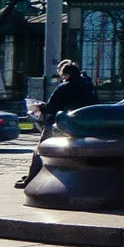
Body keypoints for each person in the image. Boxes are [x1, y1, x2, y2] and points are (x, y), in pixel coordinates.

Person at [14, 60, 99, 189]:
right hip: (84, 124)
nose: (61, 77)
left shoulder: (64, 87)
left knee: (40, 149)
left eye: (62, 75)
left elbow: (51, 107)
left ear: (66, 74)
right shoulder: (88, 85)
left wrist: (39, 106)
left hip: (61, 123)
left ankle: (31, 178)